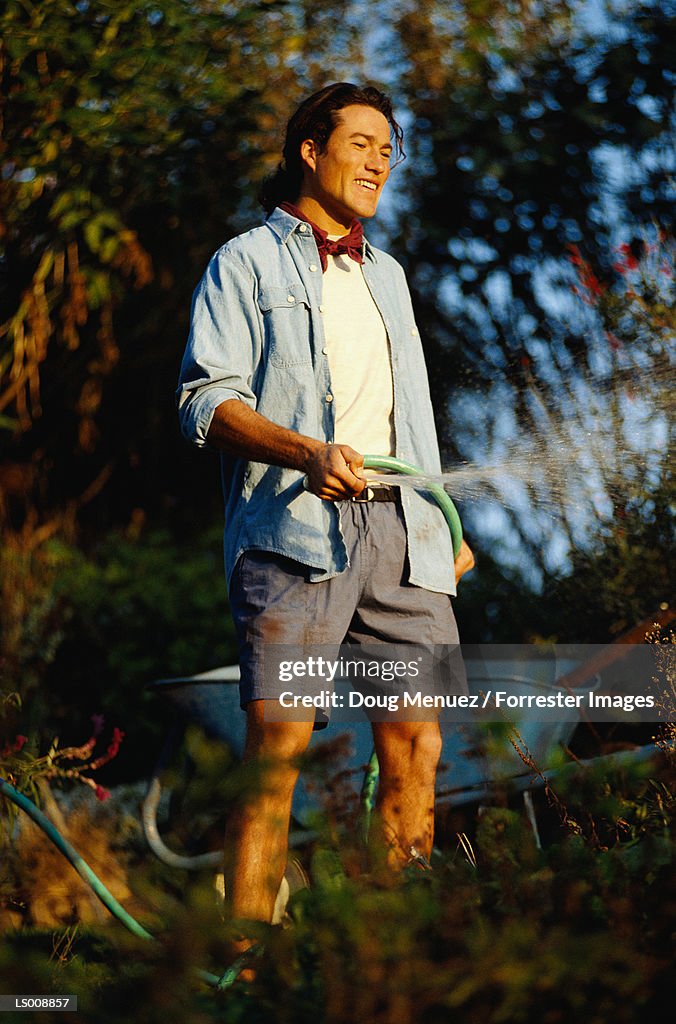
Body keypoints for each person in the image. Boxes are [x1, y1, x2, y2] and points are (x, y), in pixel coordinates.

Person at [177, 82, 474, 958]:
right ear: (310, 150)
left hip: (405, 534)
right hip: (296, 531)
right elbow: (205, 402)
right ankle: (244, 959)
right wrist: (306, 451)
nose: (382, 160)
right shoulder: (245, 264)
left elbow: (406, 416)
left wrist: (445, 526)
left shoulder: (389, 275)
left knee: (417, 742)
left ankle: (386, 954)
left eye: (391, 147)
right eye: (363, 142)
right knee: (281, 749)